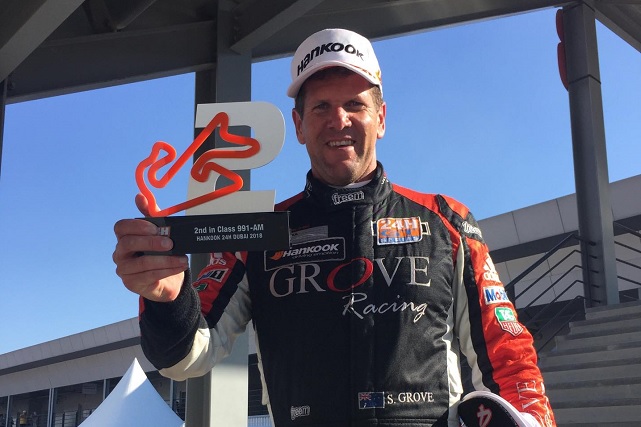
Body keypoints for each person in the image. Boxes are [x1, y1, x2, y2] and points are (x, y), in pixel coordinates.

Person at [113, 28, 556, 427]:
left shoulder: (446, 221)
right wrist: (167, 299)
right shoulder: (257, 235)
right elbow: (186, 357)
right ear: (299, 125)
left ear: (381, 119)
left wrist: (530, 420)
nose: (338, 120)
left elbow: (508, 354)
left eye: (354, 105)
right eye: (321, 106)